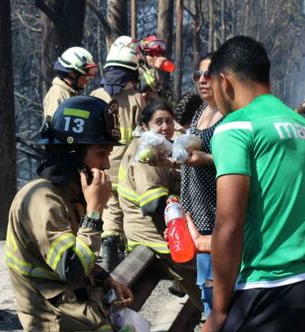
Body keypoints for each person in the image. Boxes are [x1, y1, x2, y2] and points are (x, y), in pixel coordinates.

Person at [198, 36, 305, 332]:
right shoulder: (304, 127)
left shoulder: (235, 126)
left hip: (272, 286)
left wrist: (217, 311)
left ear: (225, 82)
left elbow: (228, 223)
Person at [6, 95, 139, 332]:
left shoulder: (69, 194)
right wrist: (94, 212)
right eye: (101, 154)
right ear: (73, 155)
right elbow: (72, 270)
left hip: (82, 319)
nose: (105, 165)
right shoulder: (42, 199)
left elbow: (74, 252)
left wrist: (105, 279)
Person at [117, 100, 202, 310]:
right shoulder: (146, 149)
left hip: (156, 232)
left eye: (169, 121)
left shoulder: (161, 148)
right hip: (152, 234)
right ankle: (219, 321)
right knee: (203, 273)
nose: (165, 127)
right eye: (159, 122)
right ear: (145, 126)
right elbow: (153, 204)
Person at [91, 36, 145, 272]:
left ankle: (108, 259)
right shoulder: (136, 100)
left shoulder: (95, 96)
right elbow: (143, 136)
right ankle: (122, 262)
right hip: (127, 171)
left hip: (100, 167)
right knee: (124, 212)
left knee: (106, 211)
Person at [179, 54, 223, 318]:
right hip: (196, 214)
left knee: (217, 291)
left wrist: (206, 159)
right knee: (206, 288)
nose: (203, 80)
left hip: (217, 216)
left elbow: (237, 164)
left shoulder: (229, 117)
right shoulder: (198, 113)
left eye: (209, 74)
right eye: (198, 75)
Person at [43, 47, 98, 122]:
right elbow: (54, 127)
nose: (87, 82)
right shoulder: (57, 94)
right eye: (85, 77)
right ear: (72, 74)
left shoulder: (71, 94)